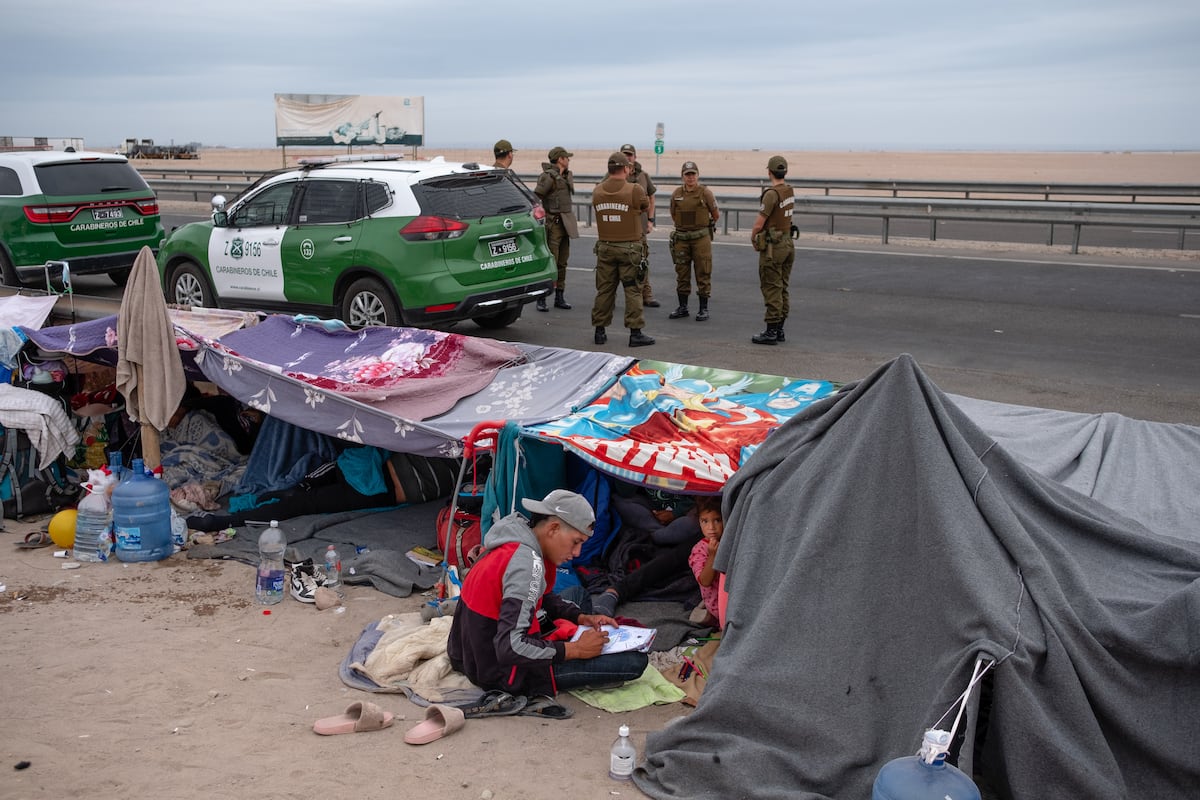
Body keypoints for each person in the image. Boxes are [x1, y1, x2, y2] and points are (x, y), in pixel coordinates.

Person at [447, 489, 648, 696]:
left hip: (466, 651)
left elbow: (538, 594)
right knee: (634, 662)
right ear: (553, 528)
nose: (577, 553)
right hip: (501, 671)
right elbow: (510, 646)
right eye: (576, 542)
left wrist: (581, 617)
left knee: (578, 595)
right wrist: (576, 650)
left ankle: (577, 629)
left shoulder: (516, 535)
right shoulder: (526, 565)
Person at [590, 488, 701, 617]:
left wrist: (676, 513)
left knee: (678, 552)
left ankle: (617, 590)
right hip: (655, 515)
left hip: (690, 520)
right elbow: (624, 492)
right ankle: (615, 591)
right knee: (620, 501)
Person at [590, 152, 654, 348]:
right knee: (633, 290)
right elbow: (645, 206)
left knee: (605, 290)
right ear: (626, 168)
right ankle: (635, 333)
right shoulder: (634, 190)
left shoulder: (597, 191)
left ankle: (599, 331)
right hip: (629, 249)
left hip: (606, 247)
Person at [750, 155, 796, 345]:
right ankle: (779, 329)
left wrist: (753, 237)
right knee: (782, 287)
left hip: (774, 248)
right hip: (787, 243)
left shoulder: (771, 194)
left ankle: (771, 332)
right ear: (785, 172)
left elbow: (759, 223)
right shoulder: (789, 190)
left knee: (771, 288)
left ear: (769, 172)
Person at [667, 161, 721, 322]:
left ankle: (703, 308)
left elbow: (715, 214)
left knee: (703, 271)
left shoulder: (705, 193)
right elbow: (673, 214)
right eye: (687, 174)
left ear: (697, 175)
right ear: (682, 176)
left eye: (693, 174)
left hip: (700, 239)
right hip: (682, 239)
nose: (690, 177)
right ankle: (682, 307)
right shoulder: (676, 193)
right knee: (682, 273)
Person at [534, 146, 578, 312]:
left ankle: (559, 296)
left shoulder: (564, 176)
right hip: (553, 225)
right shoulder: (548, 177)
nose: (569, 160)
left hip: (565, 224)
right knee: (550, 262)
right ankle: (542, 298)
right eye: (566, 157)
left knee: (562, 262)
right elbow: (537, 197)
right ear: (560, 159)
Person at [619, 144, 660, 308]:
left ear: (635, 157)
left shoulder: (643, 176)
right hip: (620, 227)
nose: (627, 157)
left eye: (630, 154)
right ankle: (610, 298)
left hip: (640, 226)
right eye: (624, 154)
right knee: (617, 263)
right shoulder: (614, 174)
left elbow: (651, 198)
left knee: (642, 260)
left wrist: (650, 220)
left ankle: (646, 295)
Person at [687, 495, 724, 628]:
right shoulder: (699, 550)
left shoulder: (730, 541)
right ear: (699, 522)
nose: (711, 527)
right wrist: (712, 556)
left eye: (717, 520)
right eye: (705, 521)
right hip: (718, 607)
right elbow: (705, 581)